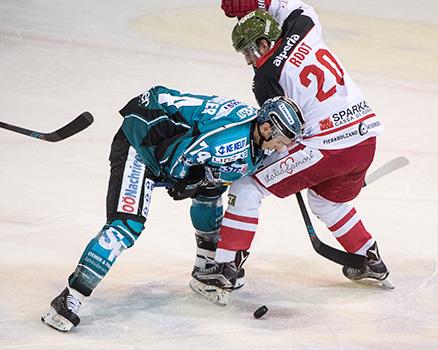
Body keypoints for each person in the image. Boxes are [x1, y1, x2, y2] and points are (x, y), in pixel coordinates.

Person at [40, 85, 305, 332]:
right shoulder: (231, 140)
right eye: (282, 140)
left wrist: (197, 181)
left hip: (169, 140)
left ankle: (205, 269)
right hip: (141, 142)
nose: (282, 148)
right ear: (268, 128)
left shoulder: (255, 136)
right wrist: (184, 182)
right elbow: (184, 161)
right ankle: (69, 298)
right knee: (126, 226)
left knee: (212, 189)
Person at [190, 0, 392, 304]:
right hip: (365, 139)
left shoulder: (266, 79)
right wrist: (259, 3)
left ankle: (224, 267)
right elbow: (293, 5)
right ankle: (368, 258)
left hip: (328, 147)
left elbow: (281, 132)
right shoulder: (303, 26)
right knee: (327, 202)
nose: (248, 60)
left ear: (264, 42)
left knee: (247, 187)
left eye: (249, 51)